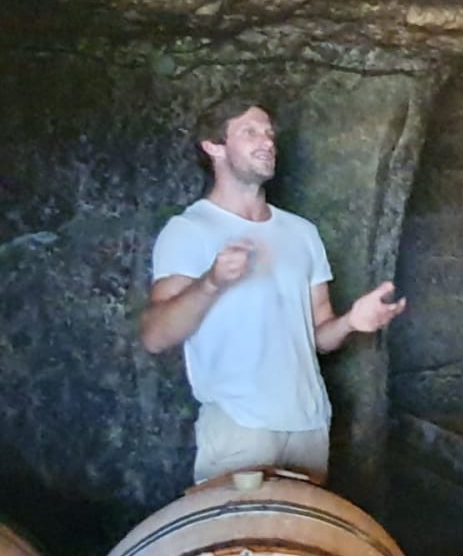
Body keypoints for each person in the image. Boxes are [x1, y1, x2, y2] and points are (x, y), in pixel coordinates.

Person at [140, 98, 407, 484]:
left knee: (304, 528)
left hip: (310, 426)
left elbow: (319, 338)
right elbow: (154, 336)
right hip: (240, 426)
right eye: (249, 132)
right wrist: (211, 282)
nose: (267, 142)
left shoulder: (302, 233)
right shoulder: (190, 230)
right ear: (213, 146)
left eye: (269, 133)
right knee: (240, 527)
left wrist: (351, 322)